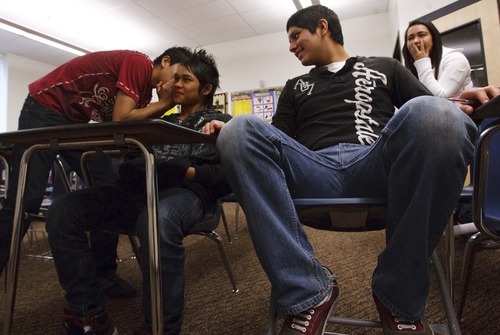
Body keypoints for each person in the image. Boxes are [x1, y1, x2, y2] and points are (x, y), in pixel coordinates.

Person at [202, 5, 499, 335]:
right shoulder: (295, 85)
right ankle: (308, 292)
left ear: (322, 27)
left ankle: (397, 295)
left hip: (377, 163)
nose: (290, 46)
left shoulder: (385, 66)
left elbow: (430, 109)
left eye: (295, 36)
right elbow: (277, 138)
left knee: (438, 115)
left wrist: (459, 102)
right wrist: (231, 134)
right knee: (239, 129)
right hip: (313, 169)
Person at [45, 48, 232, 335]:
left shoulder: (221, 123)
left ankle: (160, 328)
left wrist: (188, 172)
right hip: (138, 190)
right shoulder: (159, 121)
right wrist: (142, 167)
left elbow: (228, 176)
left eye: (186, 80)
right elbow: (129, 162)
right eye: (176, 78)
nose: (176, 84)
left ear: (206, 89)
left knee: (156, 220)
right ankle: (87, 313)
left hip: (187, 194)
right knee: (64, 210)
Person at [0, 47, 192, 297]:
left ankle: (104, 275)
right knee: (25, 201)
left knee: (109, 188)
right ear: (165, 62)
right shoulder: (139, 63)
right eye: (176, 77)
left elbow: (115, 126)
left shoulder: (143, 96)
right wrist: (165, 103)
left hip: (73, 121)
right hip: (45, 108)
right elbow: (121, 119)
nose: (175, 85)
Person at [403, 20, 473, 98]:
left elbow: (439, 98)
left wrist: (421, 61)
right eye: (410, 38)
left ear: (434, 37)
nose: (415, 41)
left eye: (422, 35)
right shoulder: (417, 67)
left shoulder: (456, 58)